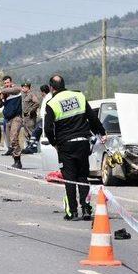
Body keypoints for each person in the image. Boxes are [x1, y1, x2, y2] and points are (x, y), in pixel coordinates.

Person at [44, 75, 106, 221]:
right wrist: (102, 132)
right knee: (82, 177)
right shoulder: (79, 96)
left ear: (52, 88)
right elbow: (92, 118)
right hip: (83, 143)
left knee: (69, 178)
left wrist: (54, 143)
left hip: (66, 145)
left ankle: (72, 211)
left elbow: (47, 128)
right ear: (64, 85)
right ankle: (85, 209)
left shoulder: (52, 103)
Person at [0, 75, 23, 169]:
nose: (6, 85)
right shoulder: (5, 93)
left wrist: (2, 90)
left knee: (14, 137)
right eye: (4, 83)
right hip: (8, 119)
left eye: (8, 83)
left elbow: (15, 90)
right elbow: (0, 105)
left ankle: (18, 161)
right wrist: (0, 97)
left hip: (17, 118)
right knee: (11, 141)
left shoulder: (15, 90)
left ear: (11, 82)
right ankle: (16, 161)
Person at [22, 84, 51, 154]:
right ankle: (32, 147)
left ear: (43, 92)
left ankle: (32, 148)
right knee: (34, 132)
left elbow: (37, 103)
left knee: (34, 132)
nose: (40, 93)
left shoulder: (48, 97)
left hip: (45, 119)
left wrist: (30, 111)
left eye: (41, 92)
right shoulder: (46, 97)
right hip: (42, 119)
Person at [20, 82, 40, 149]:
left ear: (27, 88)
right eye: (22, 87)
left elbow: (37, 103)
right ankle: (28, 147)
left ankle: (33, 147)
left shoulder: (31, 94)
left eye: (24, 87)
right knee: (26, 133)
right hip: (25, 117)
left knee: (31, 132)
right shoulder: (24, 95)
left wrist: (31, 111)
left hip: (30, 117)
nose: (23, 88)